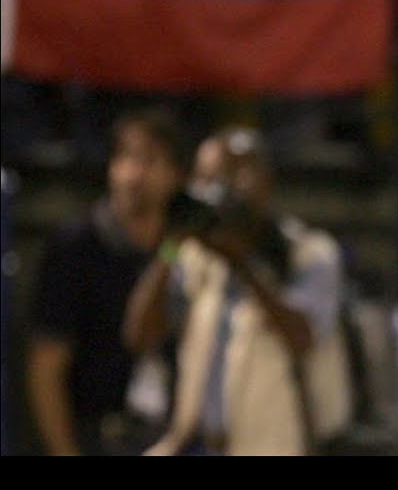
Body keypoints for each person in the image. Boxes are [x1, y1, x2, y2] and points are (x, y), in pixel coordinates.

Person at [124, 125, 354, 455]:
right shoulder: (194, 258)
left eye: (234, 175)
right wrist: (171, 245)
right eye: (208, 179)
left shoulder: (307, 252)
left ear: (267, 182)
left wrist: (242, 263)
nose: (220, 191)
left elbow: (302, 337)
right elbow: (140, 336)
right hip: (200, 443)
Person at [25, 106, 186, 455]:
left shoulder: (179, 247)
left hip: (169, 439)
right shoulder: (75, 247)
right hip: (97, 436)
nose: (133, 174)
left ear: (175, 174)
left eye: (149, 160)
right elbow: (46, 367)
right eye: (125, 157)